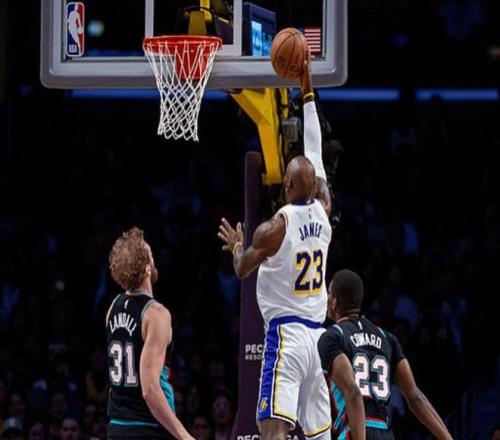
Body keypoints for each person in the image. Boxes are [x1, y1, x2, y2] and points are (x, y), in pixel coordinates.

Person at [218, 57, 332, 440]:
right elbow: (314, 147)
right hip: (318, 337)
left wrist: (237, 246)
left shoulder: (274, 228)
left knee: (272, 428)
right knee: (320, 435)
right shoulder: (325, 210)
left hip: (286, 336)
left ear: (287, 186)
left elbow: (242, 269)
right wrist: (307, 89)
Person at [318, 269, 453, 440]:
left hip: (354, 430)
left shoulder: (333, 336)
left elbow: (353, 393)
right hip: (384, 432)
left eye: (329, 293)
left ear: (334, 302)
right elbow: (414, 396)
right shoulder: (386, 338)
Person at [106, 227, 193, 440]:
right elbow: (150, 389)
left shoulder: (113, 307)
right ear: (146, 268)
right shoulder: (156, 314)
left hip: (117, 426)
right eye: (151, 255)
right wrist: (185, 436)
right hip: (148, 427)